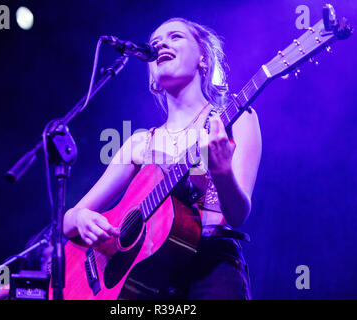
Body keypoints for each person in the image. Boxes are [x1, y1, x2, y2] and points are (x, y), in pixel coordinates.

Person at [63, 17, 262, 300]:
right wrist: (81, 217)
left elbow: (238, 215)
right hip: (147, 278)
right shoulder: (140, 143)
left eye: (176, 37)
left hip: (212, 266)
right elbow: (68, 221)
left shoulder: (235, 120)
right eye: (155, 43)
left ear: (203, 58)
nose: (161, 44)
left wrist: (222, 172)